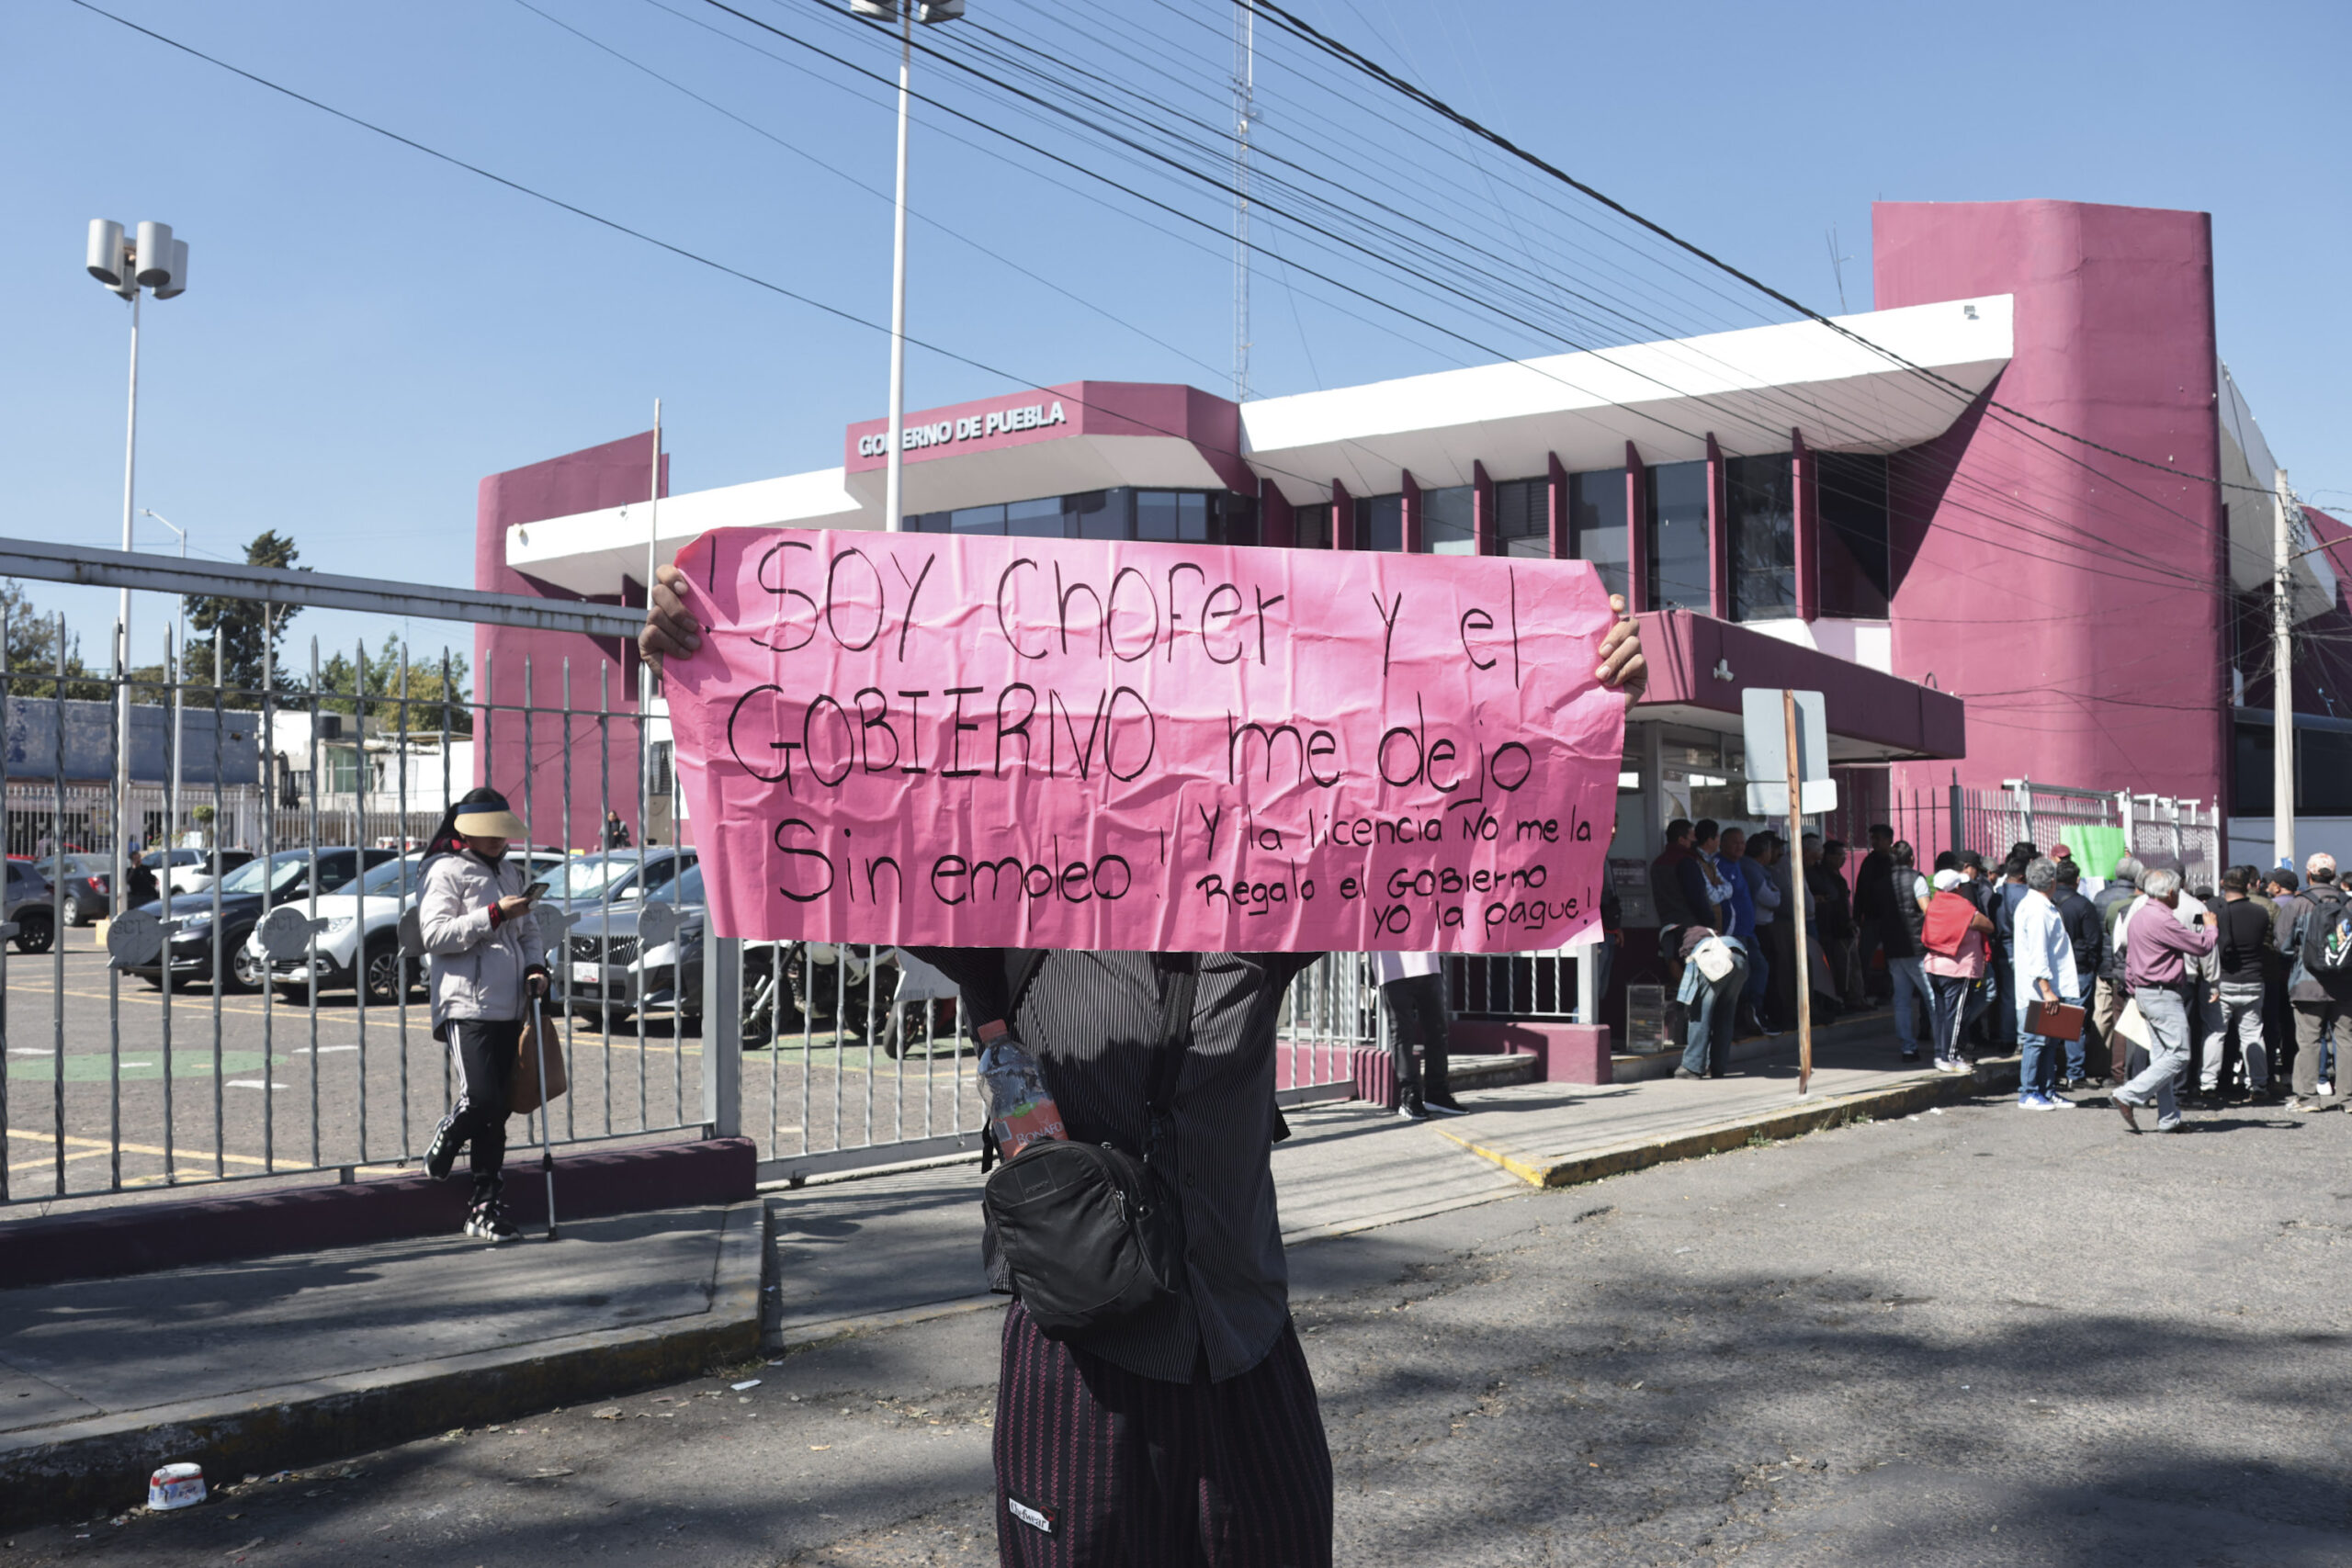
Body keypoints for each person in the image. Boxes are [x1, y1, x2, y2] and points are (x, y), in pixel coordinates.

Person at [639, 560, 1650, 1565]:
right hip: (1082, 1349)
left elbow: (1441, 816)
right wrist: (715, 664)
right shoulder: (1010, 904)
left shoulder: (1270, 910)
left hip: (1241, 1335)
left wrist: (1571, 686)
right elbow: (839, 809)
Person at [417, 787, 550, 1242]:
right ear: (467, 831)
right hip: (467, 1003)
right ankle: (448, 1136)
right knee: (482, 1098)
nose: (498, 842)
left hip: (511, 1003)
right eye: (490, 835)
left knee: (498, 1115)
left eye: (502, 835)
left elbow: (528, 930)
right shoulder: (445, 871)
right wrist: (492, 914)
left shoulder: (511, 872)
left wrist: (536, 967)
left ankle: (485, 1206)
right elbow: (435, 935)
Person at [2115, 866, 2217, 1133]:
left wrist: (2133, 987)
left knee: (2163, 1056)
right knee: (2180, 1055)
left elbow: (2129, 956)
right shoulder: (2161, 919)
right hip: (2162, 992)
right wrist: (2211, 929)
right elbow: (2201, 946)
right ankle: (2129, 1093)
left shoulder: (2140, 914)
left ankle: (2169, 1118)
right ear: (2170, 892)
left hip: (2146, 991)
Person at [2284, 852, 2352, 1114]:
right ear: (2334, 875)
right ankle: (2348, 1099)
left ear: (2308, 874)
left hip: (2307, 983)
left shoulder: (2298, 904)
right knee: (2346, 1041)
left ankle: (2308, 1097)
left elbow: (2283, 944)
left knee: (2309, 1041)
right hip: (2345, 984)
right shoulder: (2347, 903)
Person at [2009, 857, 2079, 1110]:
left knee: (2049, 1040)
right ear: (2052, 882)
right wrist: (2047, 990)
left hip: (2048, 987)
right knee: (2037, 1041)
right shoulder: (2037, 909)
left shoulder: (2039, 905)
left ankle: (2047, 1090)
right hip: (2040, 990)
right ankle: (2028, 1092)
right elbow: (2038, 952)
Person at [2202, 865, 2274, 1102]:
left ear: (2223, 883)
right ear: (2249, 885)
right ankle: (2259, 1084)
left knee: (2215, 1033)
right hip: (2253, 979)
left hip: (2223, 980)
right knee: (2253, 1034)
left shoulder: (2216, 912)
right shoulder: (2260, 912)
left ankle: (2208, 1084)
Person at [1921, 869, 1996, 1073]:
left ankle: (1941, 1054)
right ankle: (1951, 1057)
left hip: (1934, 967)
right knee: (1956, 1015)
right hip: (1958, 969)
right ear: (1957, 888)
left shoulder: (1935, 904)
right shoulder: (1962, 907)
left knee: (1942, 1014)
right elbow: (1988, 925)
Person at [1374, 952, 1460, 1121]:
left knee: (1437, 1029)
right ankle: (1409, 1095)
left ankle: (1437, 1093)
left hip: (1427, 963)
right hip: (1392, 966)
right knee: (1402, 1033)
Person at [2093, 855, 2146, 1085]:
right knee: (2130, 1022)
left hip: (2107, 967)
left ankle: (2101, 1066)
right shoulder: (2139, 902)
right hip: (2128, 970)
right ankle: (2127, 1071)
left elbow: (2100, 930)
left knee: (2104, 1017)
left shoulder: (2101, 897)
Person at [1673, 924, 1748, 1080]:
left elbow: (1680, 971)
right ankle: (1717, 1067)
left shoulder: (1677, 937)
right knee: (1725, 1015)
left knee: (1700, 1013)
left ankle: (1692, 1067)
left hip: (1714, 958)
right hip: (1739, 957)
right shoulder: (1709, 932)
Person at [2052, 861, 2104, 1088]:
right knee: (2075, 1022)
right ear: (2077, 880)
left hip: (2053, 971)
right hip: (2078, 969)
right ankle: (2075, 1073)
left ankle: (2051, 1070)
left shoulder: (2048, 903)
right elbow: (2094, 941)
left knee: (2052, 1022)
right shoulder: (2084, 905)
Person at [1717, 828, 1771, 1037]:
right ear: (1722, 843)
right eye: (1734, 842)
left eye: (1742, 842)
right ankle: (1740, 1019)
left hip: (1748, 932)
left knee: (1760, 968)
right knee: (1740, 977)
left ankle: (1753, 1010)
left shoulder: (1738, 864)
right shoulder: (1718, 865)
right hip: (1732, 933)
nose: (1740, 846)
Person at [1883, 841, 1934, 1062]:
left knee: (1901, 1001)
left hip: (1893, 948)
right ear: (1911, 858)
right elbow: (1927, 910)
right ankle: (1943, 1046)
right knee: (1932, 997)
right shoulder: (1917, 879)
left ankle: (1908, 1048)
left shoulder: (1882, 881)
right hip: (1916, 948)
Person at [1854, 824, 1896, 1002]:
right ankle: (1861, 992)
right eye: (1873, 838)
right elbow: (1860, 890)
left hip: (1891, 918)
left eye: (1878, 838)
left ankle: (1886, 993)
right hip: (1871, 918)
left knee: (1891, 959)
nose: (1874, 842)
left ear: (1889, 841)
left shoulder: (1895, 862)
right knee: (1864, 956)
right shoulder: (1869, 861)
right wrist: (1856, 917)